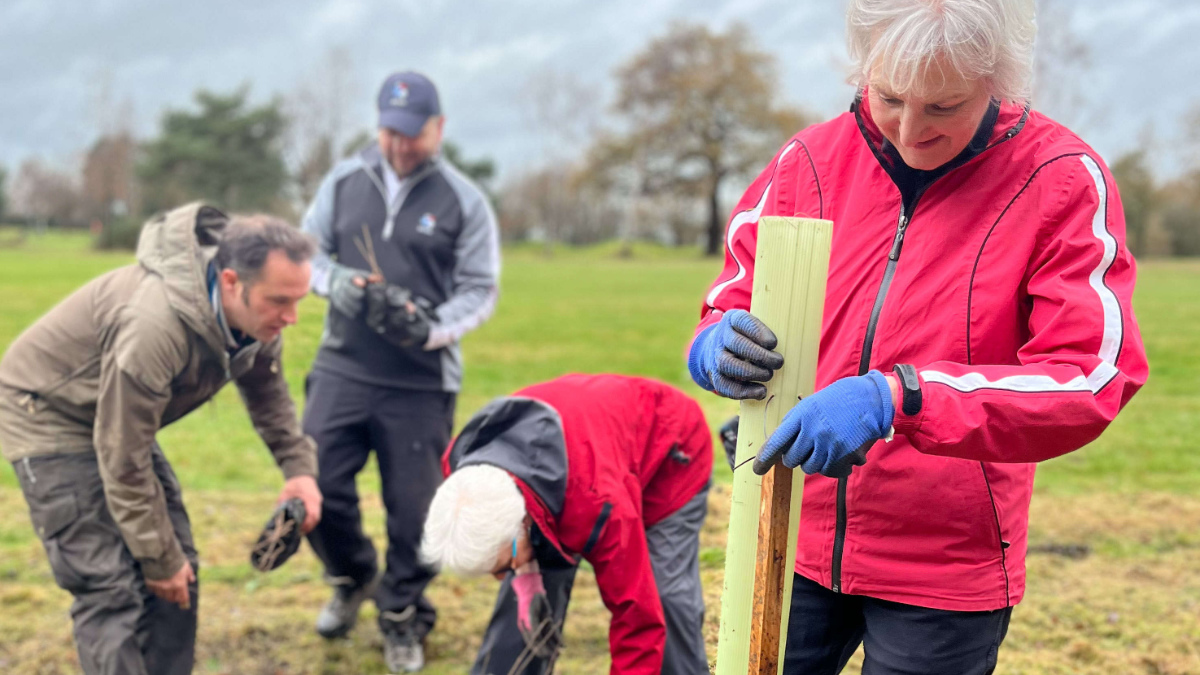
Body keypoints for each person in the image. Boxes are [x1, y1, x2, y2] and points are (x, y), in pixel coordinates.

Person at [687, 0, 1149, 672]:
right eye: (890, 97)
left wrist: (900, 396)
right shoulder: (805, 164)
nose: (909, 128)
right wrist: (713, 344)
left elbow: (1089, 378)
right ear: (864, 64)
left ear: (999, 82)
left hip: (945, 565)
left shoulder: (1061, 181)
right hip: (788, 527)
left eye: (944, 107)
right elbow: (734, 295)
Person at [0, 204, 322, 675]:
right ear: (231, 282)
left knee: (178, 570)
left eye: (299, 300)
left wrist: (300, 472)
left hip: (115, 417)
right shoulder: (153, 328)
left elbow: (269, 396)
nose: (291, 317)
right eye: (279, 301)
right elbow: (123, 458)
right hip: (48, 413)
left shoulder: (257, 319)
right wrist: (157, 558)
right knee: (110, 587)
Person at [300, 70, 501, 672]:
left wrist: (429, 327)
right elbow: (305, 253)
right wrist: (337, 284)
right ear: (378, 124)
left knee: (414, 511)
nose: (400, 144)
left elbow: (481, 290)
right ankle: (353, 575)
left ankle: (402, 615)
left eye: (413, 133)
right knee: (315, 485)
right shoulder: (344, 179)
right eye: (391, 131)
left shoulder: (464, 201)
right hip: (343, 365)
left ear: (438, 129)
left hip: (419, 380)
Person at [421, 374, 713, 675]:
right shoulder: (462, 473)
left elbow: (637, 617)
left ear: (520, 524)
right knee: (522, 608)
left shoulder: (598, 505)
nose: (499, 577)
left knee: (663, 601)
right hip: (583, 454)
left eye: (503, 566)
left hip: (670, 449)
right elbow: (517, 547)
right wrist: (525, 578)